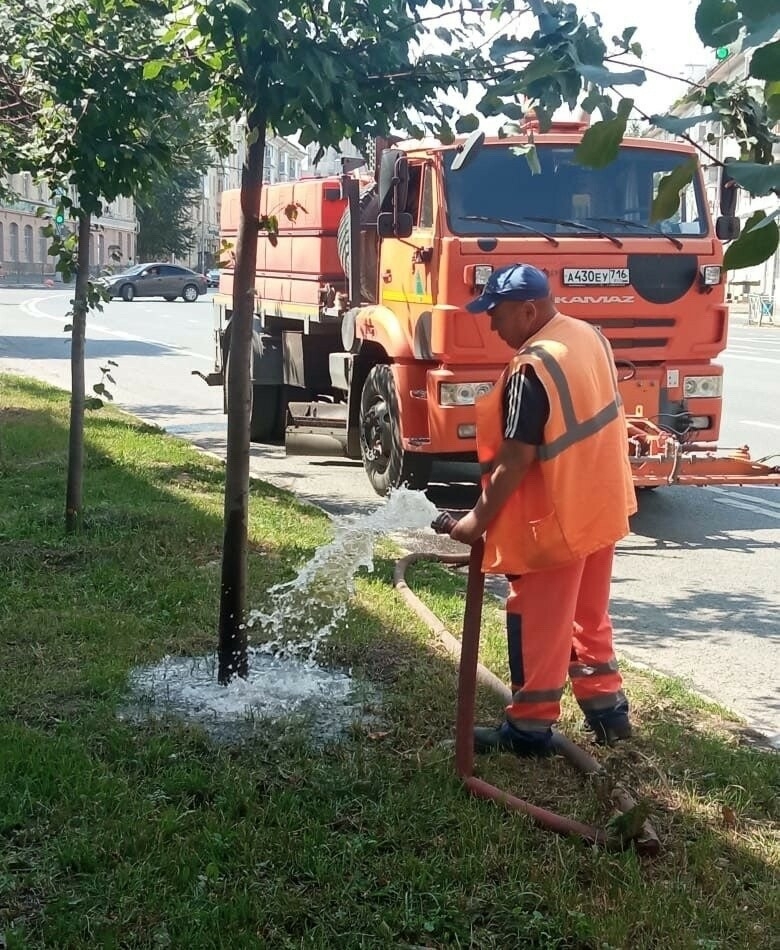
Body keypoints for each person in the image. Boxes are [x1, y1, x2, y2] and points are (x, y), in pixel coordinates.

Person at [449, 263, 637, 756]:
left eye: (497, 314)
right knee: (588, 616)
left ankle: (528, 730)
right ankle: (608, 713)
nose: (492, 326)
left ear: (528, 311)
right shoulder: (587, 336)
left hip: (555, 521)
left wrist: (476, 520)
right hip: (599, 507)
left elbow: (515, 461)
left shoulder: (533, 367)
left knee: (537, 622)